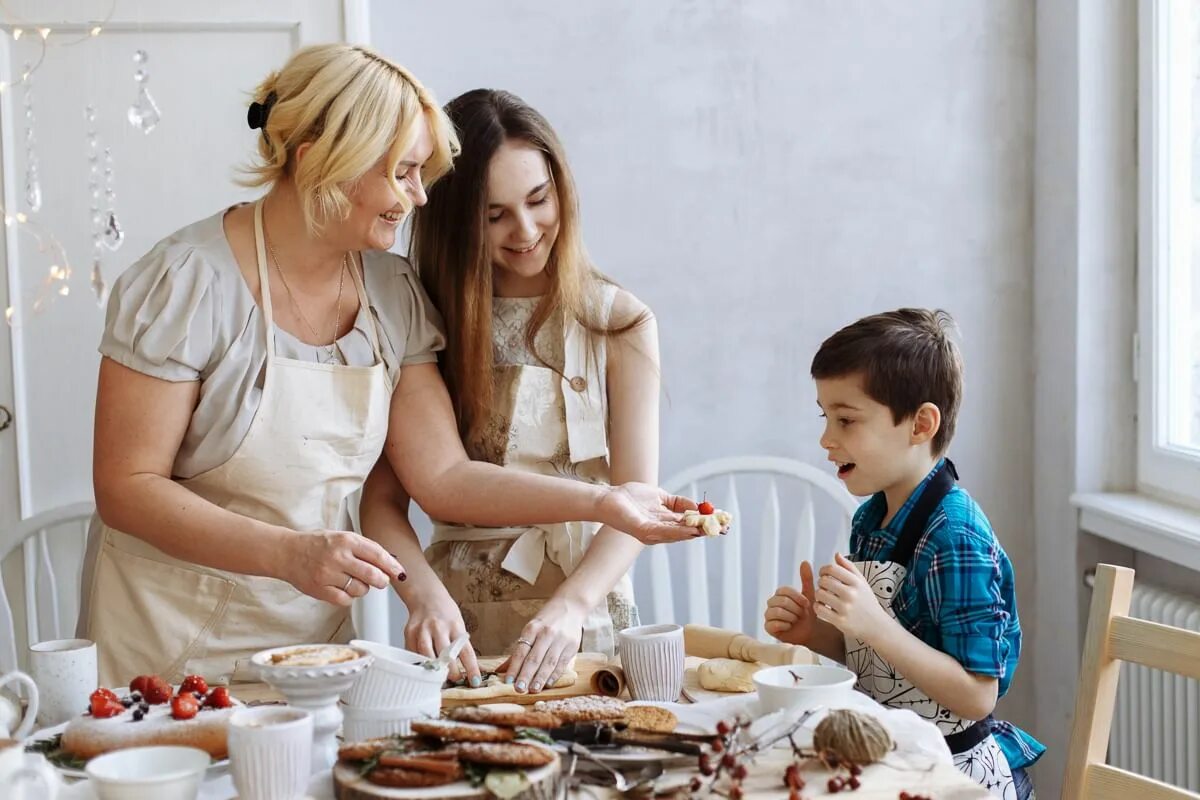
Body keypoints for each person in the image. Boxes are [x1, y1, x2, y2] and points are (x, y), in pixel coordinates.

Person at [78, 45, 697, 687]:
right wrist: (288, 552)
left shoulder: (390, 292)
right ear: (320, 158)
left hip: (306, 647)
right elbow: (127, 485)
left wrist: (604, 502)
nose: (421, 197)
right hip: (162, 645)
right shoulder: (185, 282)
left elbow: (444, 477)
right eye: (404, 172)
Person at [362, 89, 660, 694]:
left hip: (587, 613)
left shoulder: (619, 321)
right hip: (457, 624)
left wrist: (574, 605)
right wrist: (421, 594)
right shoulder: (420, 319)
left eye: (538, 200)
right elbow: (382, 503)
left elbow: (638, 501)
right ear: (453, 217)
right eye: (494, 214)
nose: (525, 231)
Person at [763, 309, 1044, 799]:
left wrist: (872, 623)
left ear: (921, 424)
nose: (826, 439)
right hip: (892, 758)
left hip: (953, 772)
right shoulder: (871, 520)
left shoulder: (955, 538)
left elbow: (977, 696)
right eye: (825, 417)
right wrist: (821, 633)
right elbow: (885, 662)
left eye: (846, 420)